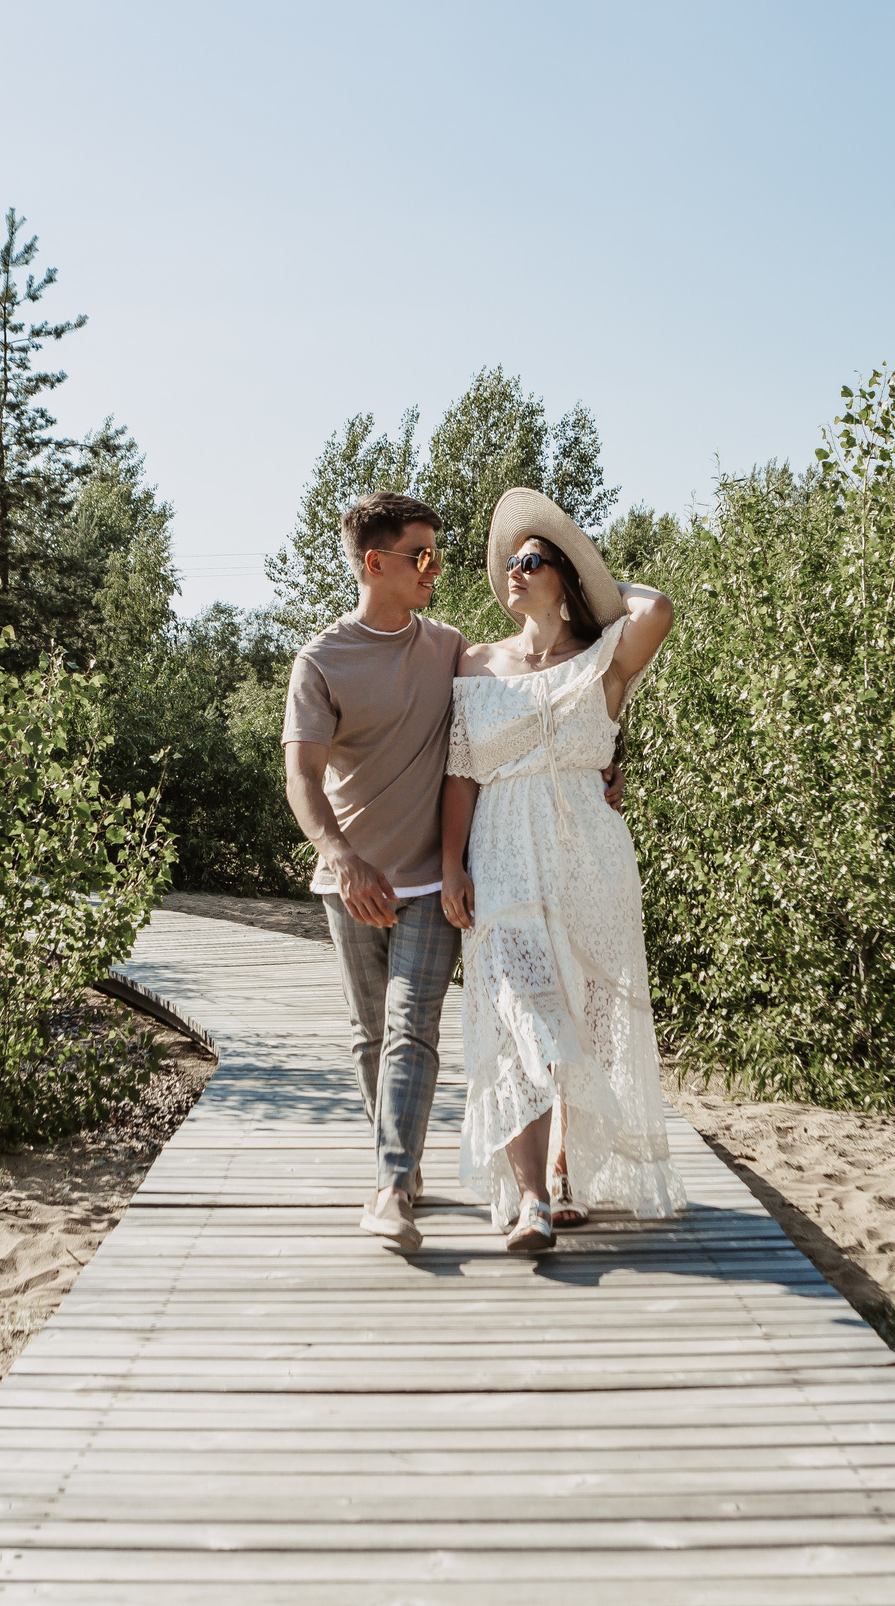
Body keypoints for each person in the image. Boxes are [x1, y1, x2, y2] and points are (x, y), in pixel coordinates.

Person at [439, 487, 687, 1252]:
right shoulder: (475, 663)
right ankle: (532, 1200)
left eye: (532, 559)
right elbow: (461, 775)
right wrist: (450, 862)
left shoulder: (603, 661)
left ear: (565, 575)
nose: (514, 570)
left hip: (590, 855)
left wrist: (590, 575)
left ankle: (567, 1174)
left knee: (584, 1018)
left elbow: (657, 607)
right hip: (505, 851)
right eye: (511, 560)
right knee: (523, 1017)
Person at [281, 492, 465, 1251]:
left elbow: (529, 696)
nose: (434, 568)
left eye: (435, 553)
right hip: (351, 881)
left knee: (410, 1027)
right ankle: (402, 1161)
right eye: (421, 554)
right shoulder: (321, 661)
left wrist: (604, 767)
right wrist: (341, 856)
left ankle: (391, 1185)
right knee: (369, 1035)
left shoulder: (451, 647)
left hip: (428, 878)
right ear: (375, 563)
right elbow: (301, 777)